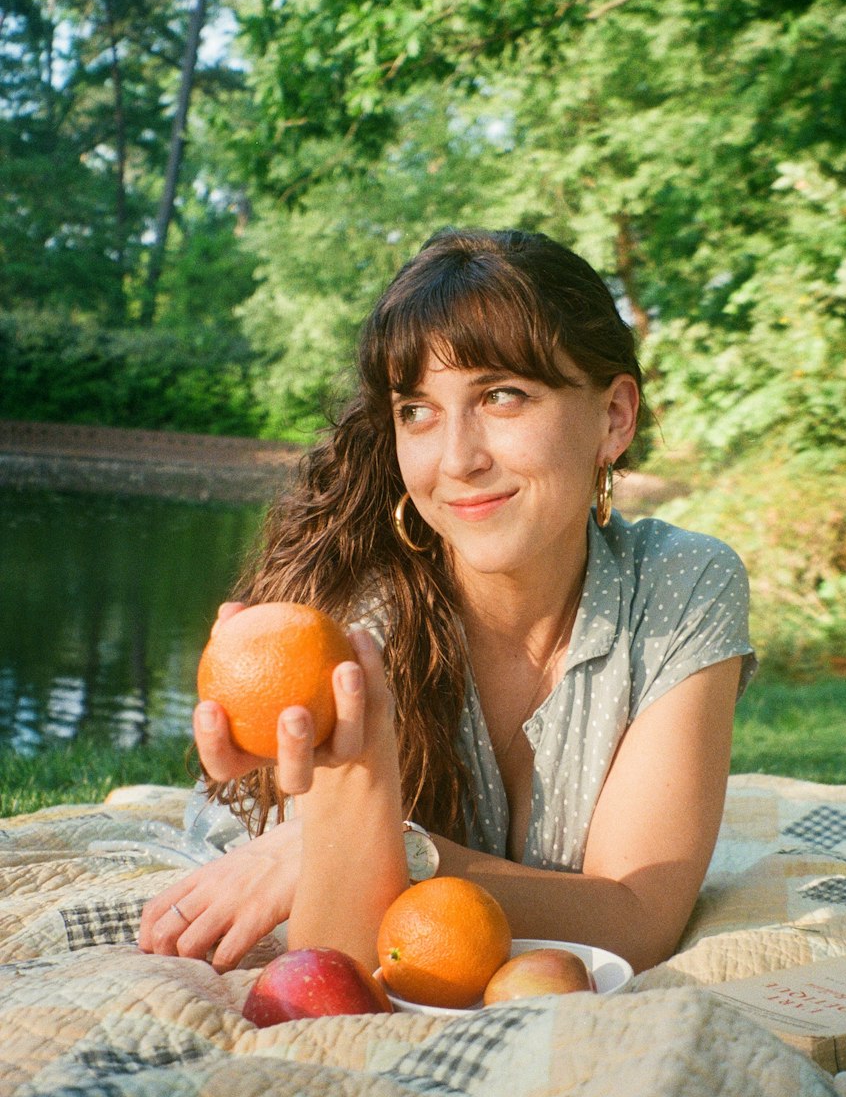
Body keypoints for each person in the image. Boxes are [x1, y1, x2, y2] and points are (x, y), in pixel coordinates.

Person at [139, 228, 756, 976]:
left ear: (615, 418)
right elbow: (342, 954)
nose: (458, 459)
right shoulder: (347, 626)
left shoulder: (682, 585)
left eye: (502, 396)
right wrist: (351, 822)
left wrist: (394, 850)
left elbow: (637, 916)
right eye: (418, 411)